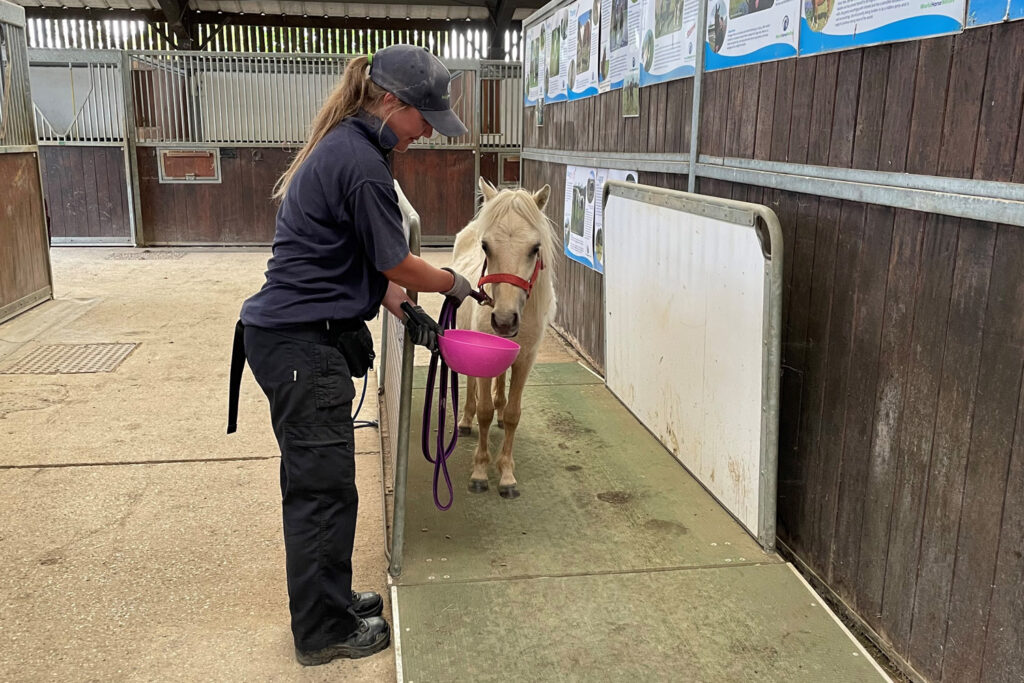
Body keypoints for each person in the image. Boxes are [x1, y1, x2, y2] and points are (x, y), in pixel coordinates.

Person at [226, 45, 477, 667]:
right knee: (323, 494)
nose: (424, 134)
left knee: (325, 487)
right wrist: (450, 284)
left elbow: (357, 262)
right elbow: (394, 262)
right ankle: (321, 632)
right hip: (299, 348)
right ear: (391, 103)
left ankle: (331, 599)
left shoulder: (346, 145)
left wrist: (403, 310)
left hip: (295, 337)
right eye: (423, 119)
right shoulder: (364, 163)